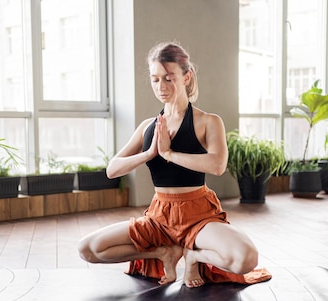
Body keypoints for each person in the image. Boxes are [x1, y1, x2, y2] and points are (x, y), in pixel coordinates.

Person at [77, 41, 271, 288]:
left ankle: (194, 256)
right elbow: (112, 169)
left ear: (187, 77)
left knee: (246, 258)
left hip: (198, 215)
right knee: (88, 249)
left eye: (169, 78)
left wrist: (168, 153)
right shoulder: (148, 127)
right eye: (155, 79)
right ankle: (164, 253)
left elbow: (217, 165)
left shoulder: (208, 122)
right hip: (159, 216)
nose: (161, 87)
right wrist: (149, 154)